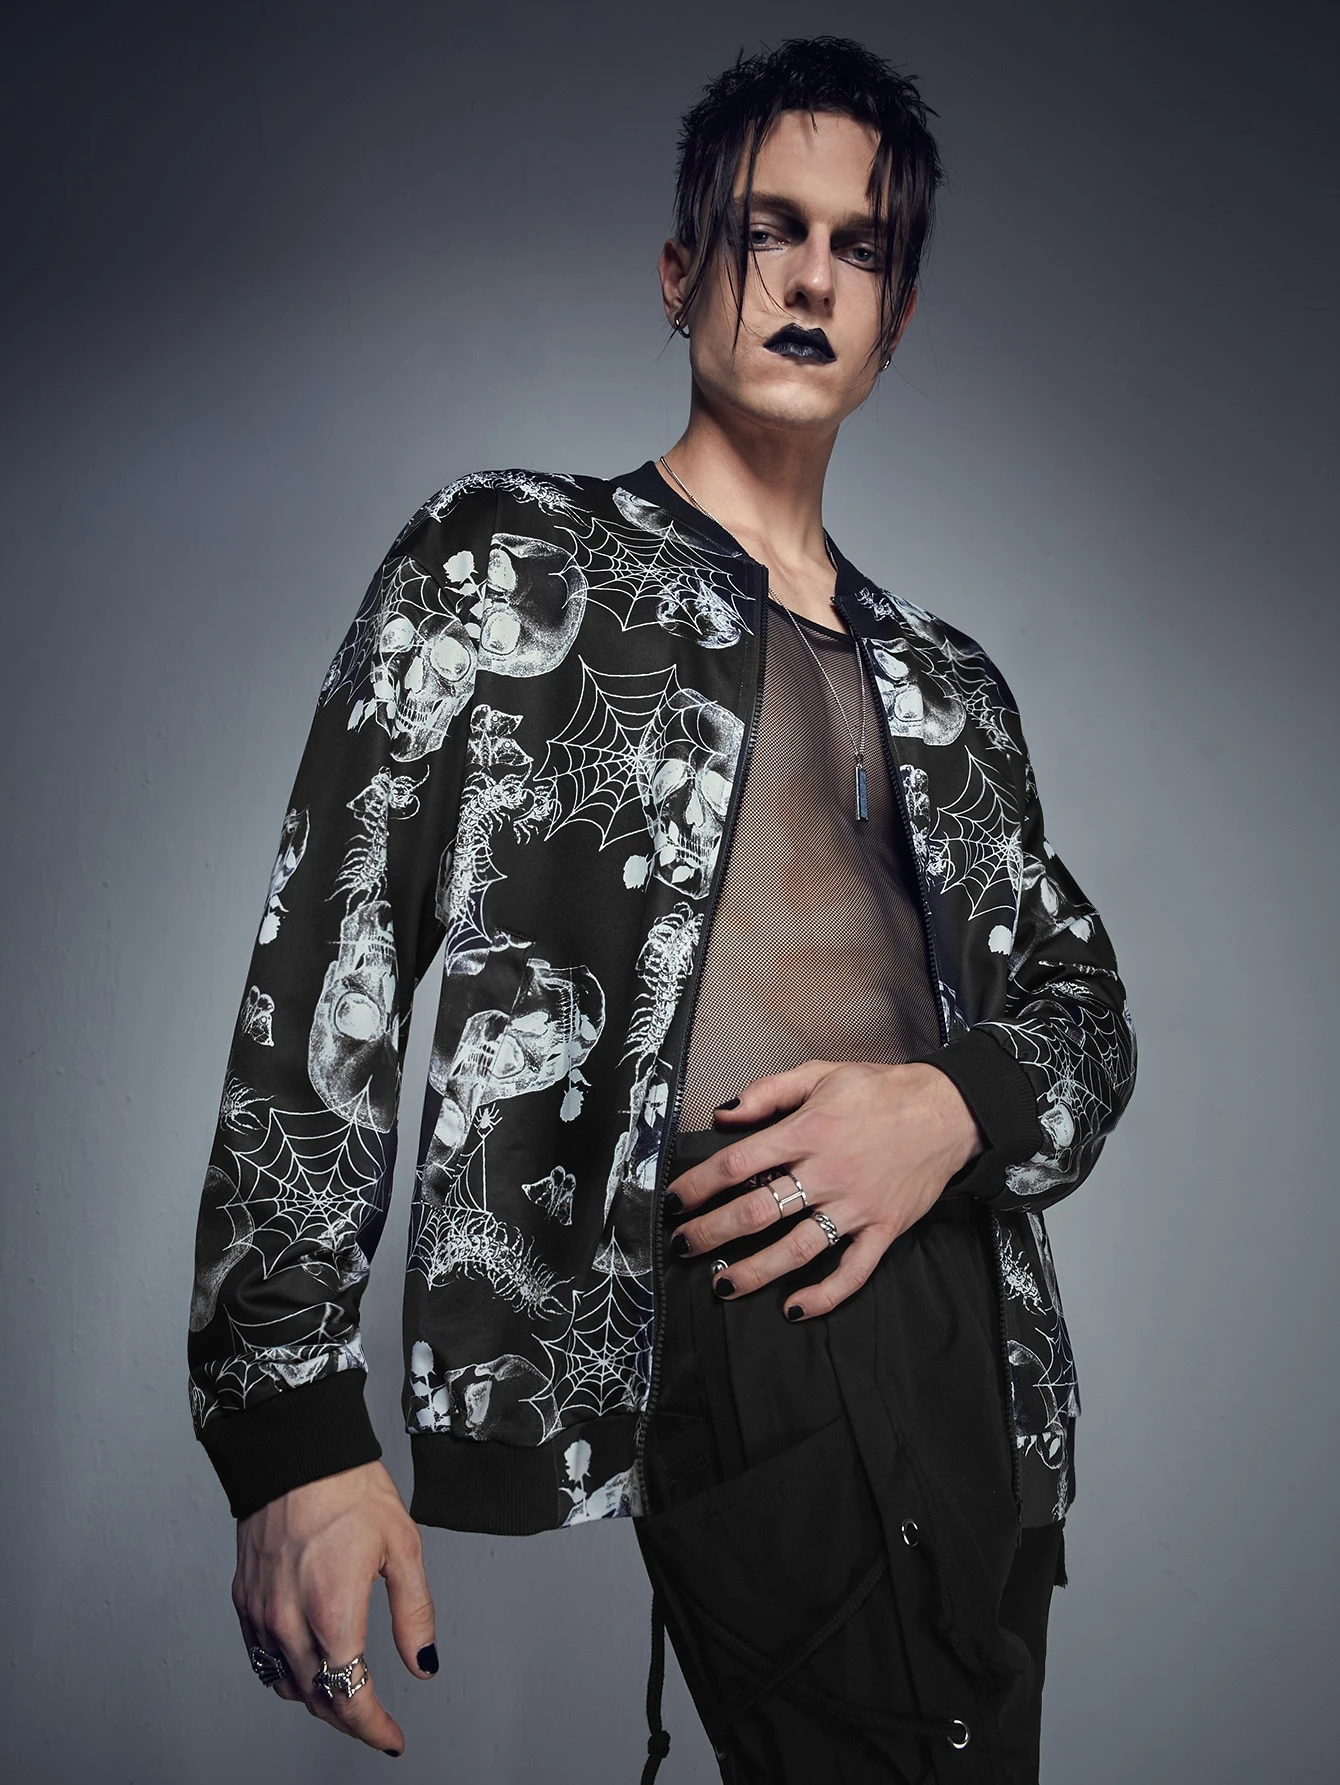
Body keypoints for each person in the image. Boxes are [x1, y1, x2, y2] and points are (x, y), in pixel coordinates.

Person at [187, 34, 1136, 1783]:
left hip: (990, 1362)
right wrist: (290, 1426)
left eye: (859, 249)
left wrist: (943, 1110)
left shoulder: (951, 688)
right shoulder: (512, 561)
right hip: (759, 1307)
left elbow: (1085, 1012)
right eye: (769, 229)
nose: (810, 279)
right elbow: (327, 970)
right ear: (682, 268)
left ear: (895, 318)